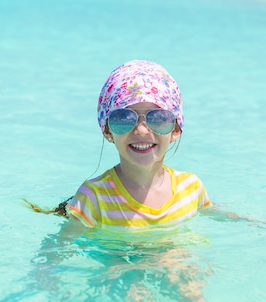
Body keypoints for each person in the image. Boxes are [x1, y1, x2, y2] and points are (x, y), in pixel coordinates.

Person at [26, 59, 211, 234]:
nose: (141, 130)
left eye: (157, 118)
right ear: (107, 130)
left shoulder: (191, 188)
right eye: (124, 118)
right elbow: (58, 250)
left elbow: (215, 215)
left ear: (176, 129)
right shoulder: (94, 198)